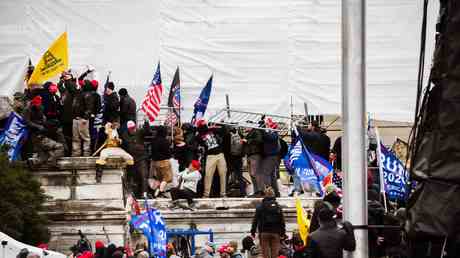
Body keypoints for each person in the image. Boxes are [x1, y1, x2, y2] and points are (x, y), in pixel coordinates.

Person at [24, 95, 64, 167]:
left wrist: (44, 123)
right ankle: (51, 161)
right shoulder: (28, 109)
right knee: (60, 147)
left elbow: (43, 120)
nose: (38, 106)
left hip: (39, 136)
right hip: (38, 136)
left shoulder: (40, 108)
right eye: (37, 104)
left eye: (39, 104)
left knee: (43, 157)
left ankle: (34, 163)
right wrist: (38, 126)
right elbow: (27, 122)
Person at [250, 187, 286, 258]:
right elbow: (282, 221)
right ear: (273, 195)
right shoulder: (278, 207)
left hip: (264, 233)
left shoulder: (260, 207)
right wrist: (283, 233)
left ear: (265, 195)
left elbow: (255, 220)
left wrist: (253, 232)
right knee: (275, 254)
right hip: (276, 233)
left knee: (266, 254)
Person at [196, 119, 227, 198]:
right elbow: (199, 143)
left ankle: (223, 193)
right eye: (203, 125)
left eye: (204, 124)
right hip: (210, 156)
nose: (204, 126)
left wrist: (218, 125)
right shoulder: (199, 136)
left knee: (222, 174)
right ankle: (206, 194)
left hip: (220, 154)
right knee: (208, 175)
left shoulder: (212, 130)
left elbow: (224, 130)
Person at [122, 120, 150, 197]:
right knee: (133, 177)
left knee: (143, 176)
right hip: (131, 160)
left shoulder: (140, 132)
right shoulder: (125, 135)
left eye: (134, 127)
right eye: (131, 128)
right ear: (128, 129)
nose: (133, 129)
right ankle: (134, 194)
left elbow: (147, 131)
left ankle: (144, 193)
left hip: (141, 158)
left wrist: (146, 122)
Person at [58, 70, 78, 156]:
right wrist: (61, 78)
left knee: (70, 135)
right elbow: (59, 86)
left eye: (68, 76)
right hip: (64, 117)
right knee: (64, 135)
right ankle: (66, 151)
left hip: (70, 117)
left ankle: (70, 151)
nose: (66, 78)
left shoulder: (72, 89)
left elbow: (70, 86)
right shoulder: (64, 91)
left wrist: (67, 79)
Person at [150, 125, 173, 197]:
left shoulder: (154, 141)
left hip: (156, 162)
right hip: (164, 162)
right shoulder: (165, 141)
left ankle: (158, 192)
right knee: (167, 178)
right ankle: (160, 191)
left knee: (160, 179)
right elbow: (168, 153)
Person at [243, 127, 264, 196]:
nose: (244, 127)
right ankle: (256, 191)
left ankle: (260, 191)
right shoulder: (249, 133)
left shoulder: (256, 131)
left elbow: (259, 140)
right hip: (250, 155)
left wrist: (247, 141)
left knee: (255, 173)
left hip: (255, 154)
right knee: (252, 174)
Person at [227, 127, 246, 197]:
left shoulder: (229, 136)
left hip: (231, 158)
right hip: (239, 158)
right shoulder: (240, 135)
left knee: (227, 174)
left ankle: (226, 191)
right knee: (239, 176)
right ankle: (243, 192)